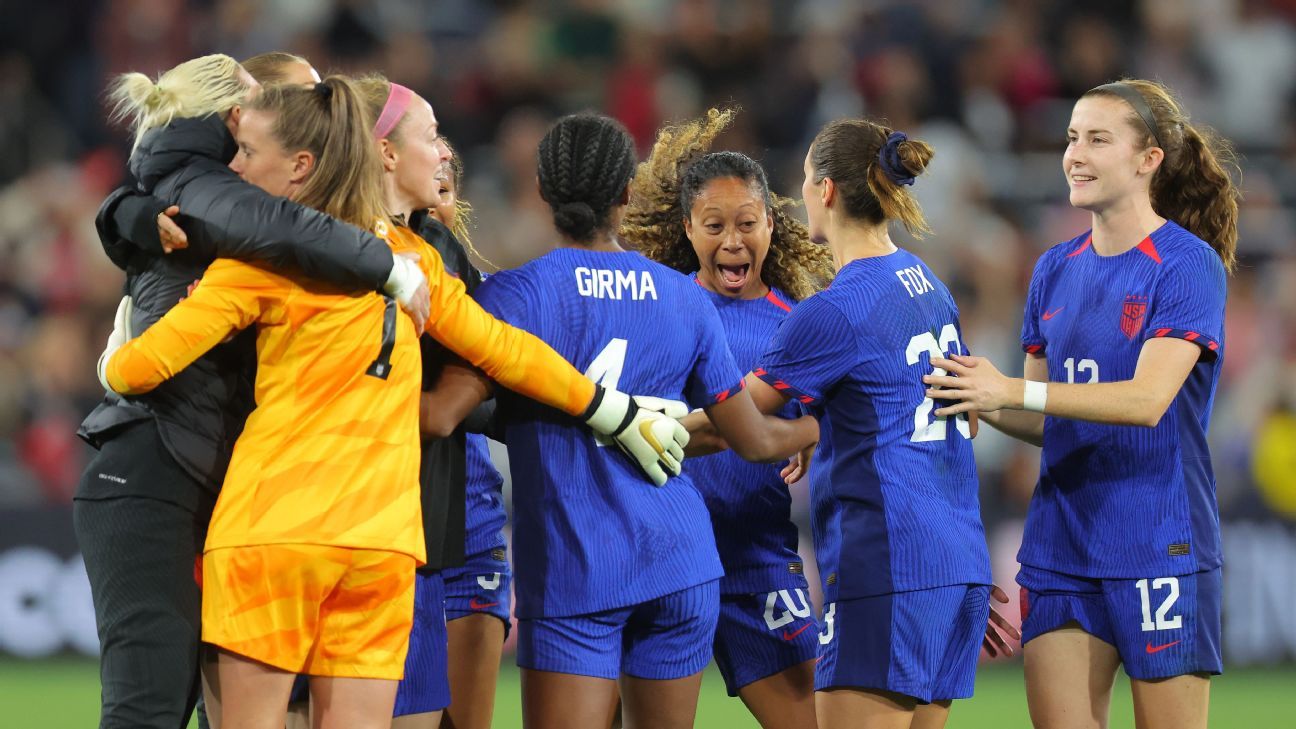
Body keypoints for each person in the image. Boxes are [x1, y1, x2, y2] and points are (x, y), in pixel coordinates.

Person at [423, 112, 821, 729]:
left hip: (576, 567)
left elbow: (443, 415)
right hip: (681, 565)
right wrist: (819, 430)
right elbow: (754, 440)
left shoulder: (514, 298)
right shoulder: (684, 297)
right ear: (628, 194)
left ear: (543, 192)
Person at [76, 53, 431, 729]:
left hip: (212, 476)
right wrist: (389, 266)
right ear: (228, 118)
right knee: (149, 706)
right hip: (151, 466)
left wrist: (119, 212)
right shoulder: (208, 185)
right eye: (273, 104)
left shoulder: (188, 187)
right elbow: (272, 226)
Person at [922, 79, 1236, 729]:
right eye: (1070, 138)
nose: (1075, 154)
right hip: (1060, 543)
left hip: (1159, 538)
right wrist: (969, 392)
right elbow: (1042, 415)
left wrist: (1009, 388)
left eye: (1097, 139)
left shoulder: (1186, 265)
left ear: (1149, 159)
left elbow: (1148, 400)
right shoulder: (1053, 268)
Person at [739, 119, 1006, 729]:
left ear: (826, 190)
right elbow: (964, 422)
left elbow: (738, 414)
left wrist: (632, 420)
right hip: (956, 560)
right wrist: (823, 419)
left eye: (805, 179)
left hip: (887, 565)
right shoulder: (927, 284)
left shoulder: (836, 307)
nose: (800, 191)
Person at [621, 107, 835, 729]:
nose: (733, 241)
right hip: (661, 556)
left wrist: (816, 432)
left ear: (773, 223)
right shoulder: (657, 308)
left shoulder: (800, 324)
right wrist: (801, 432)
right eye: (714, 224)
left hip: (757, 556)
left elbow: (832, 420)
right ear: (687, 227)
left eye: (747, 223)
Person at [425, 140, 513, 729]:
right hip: (386, 537)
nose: (437, 202)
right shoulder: (345, 280)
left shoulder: (484, 296)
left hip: (472, 530)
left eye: (447, 190)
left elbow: (511, 393)